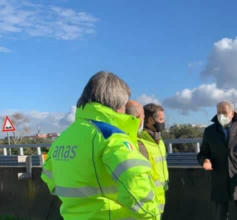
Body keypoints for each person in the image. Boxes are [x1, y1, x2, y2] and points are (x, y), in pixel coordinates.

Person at [41, 71, 160, 220]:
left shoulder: (64, 137)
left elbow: (47, 175)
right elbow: (135, 180)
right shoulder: (110, 136)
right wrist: (151, 215)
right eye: (124, 106)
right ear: (117, 106)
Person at [197, 100, 237, 220]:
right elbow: (203, 153)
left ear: (232, 113)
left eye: (224, 112)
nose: (221, 115)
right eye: (218, 112)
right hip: (219, 179)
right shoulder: (210, 131)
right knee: (220, 216)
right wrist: (205, 161)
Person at [140, 103, 169, 215]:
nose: (163, 122)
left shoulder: (159, 140)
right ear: (151, 120)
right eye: (161, 119)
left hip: (161, 191)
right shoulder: (141, 141)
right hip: (149, 194)